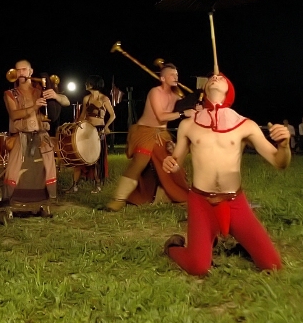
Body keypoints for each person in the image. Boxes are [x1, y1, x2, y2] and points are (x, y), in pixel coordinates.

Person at [162, 73, 291, 276]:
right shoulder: (189, 125)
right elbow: (176, 160)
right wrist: (171, 163)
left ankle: (242, 243)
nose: (215, 77)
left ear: (229, 91)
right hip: (201, 202)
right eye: (212, 78)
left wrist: (284, 146)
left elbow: (279, 162)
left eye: (221, 78)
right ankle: (172, 247)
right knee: (198, 267)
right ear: (205, 90)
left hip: (235, 202)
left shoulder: (245, 125)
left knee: (273, 265)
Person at [105, 63, 196, 211]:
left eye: (177, 75)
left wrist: (196, 105)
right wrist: (183, 113)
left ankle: (164, 196)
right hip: (145, 132)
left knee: (171, 165)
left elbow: (187, 108)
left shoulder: (176, 96)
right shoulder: (155, 92)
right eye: (172, 75)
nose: (176, 77)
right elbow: (161, 116)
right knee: (140, 162)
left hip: (162, 134)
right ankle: (118, 200)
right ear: (163, 78)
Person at [0, 59, 70, 224]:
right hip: (21, 137)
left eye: (24, 69)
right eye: (18, 70)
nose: (21, 73)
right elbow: (14, 115)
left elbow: (66, 102)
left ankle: (43, 206)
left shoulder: (40, 90)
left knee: (43, 172)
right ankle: (10, 208)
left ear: (31, 72)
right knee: (15, 171)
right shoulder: (10, 94)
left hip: (41, 138)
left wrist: (55, 95)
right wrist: (34, 107)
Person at [69, 75, 116, 194]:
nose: (86, 84)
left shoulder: (104, 99)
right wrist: (76, 127)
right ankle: (74, 185)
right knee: (80, 156)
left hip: (99, 131)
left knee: (96, 160)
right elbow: (82, 115)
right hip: (87, 130)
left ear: (94, 84)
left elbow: (112, 115)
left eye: (88, 83)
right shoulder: (86, 98)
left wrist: (106, 127)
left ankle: (98, 185)